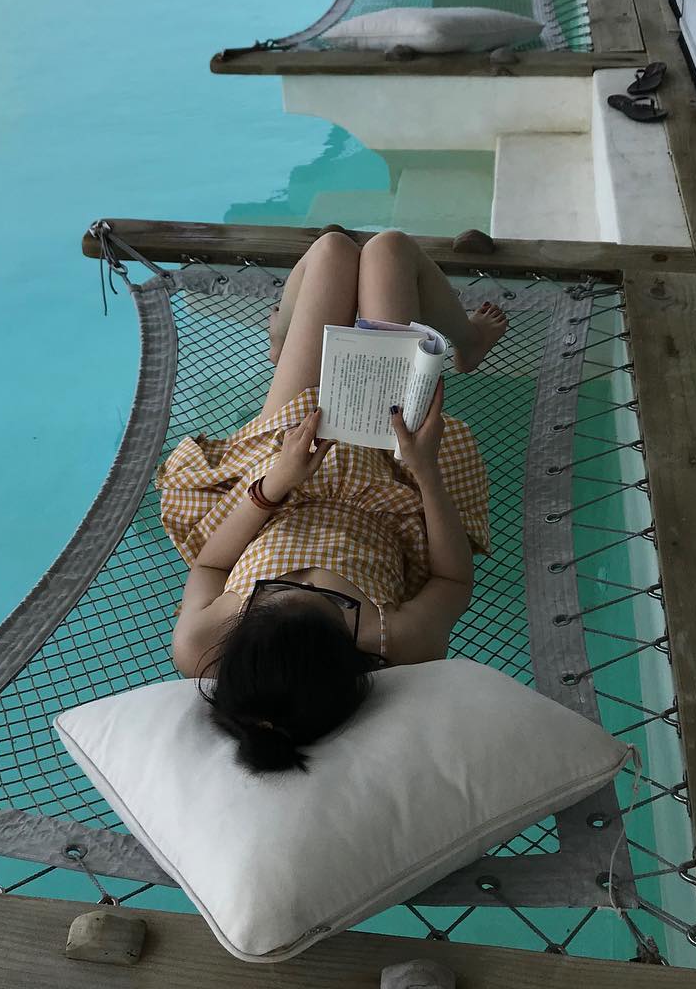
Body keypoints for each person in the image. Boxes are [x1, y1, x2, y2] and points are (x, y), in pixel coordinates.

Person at [156, 229, 509, 773]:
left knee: (332, 250)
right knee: (389, 251)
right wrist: (424, 470)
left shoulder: (201, 644)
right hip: (387, 475)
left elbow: (211, 563)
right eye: (329, 601)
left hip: (283, 473)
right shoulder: (395, 640)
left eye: (273, 593)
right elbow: (452, 580)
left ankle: (284, 341)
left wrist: (277, 482)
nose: (299, 583)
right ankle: (468, 343)